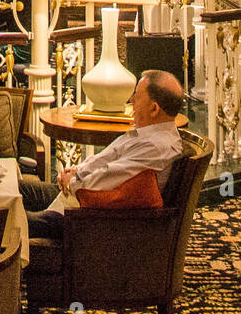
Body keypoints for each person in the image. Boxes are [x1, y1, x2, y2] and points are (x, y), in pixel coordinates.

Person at [26, 71, 185, 239]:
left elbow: (110, 176)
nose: (131, 100)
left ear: (154, 108)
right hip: (80, 197)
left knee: (11, 218)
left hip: (91, 220)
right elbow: (106, 159)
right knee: (20, 189)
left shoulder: (157, 147)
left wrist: (72, 182)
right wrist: (77, 171)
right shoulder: (146, 133)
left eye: (137, 96)